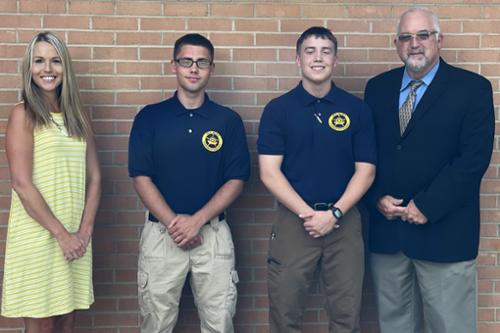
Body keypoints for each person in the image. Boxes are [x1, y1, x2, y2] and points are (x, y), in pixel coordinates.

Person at [364, 7, 495, 333]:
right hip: (389, 235)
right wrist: (376, 196)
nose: (415, 44)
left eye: (423, 35)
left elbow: (473, 160)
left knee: (451, 327)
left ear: (439, 40)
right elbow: (367, 154)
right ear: (396, 43)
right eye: (406, 37)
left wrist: (427, 205)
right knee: (393, 326)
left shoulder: (473, 88)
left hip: (445, 235)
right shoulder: (377, 88)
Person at [257, 26, 377, 333]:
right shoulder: (278, 110)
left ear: (335, 60)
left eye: (326, 51)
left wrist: (334, 213)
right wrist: (309, 214)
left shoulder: (357, 110)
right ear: (298, 59)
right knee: (285, 314)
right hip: (294, 221)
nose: (318, 58)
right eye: (310, 51)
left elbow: (366, 171)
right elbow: (269, 172)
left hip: (345, 222)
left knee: (346, 316)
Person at [128, 33, 250, 333]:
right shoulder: (150, 118)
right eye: (186, 61)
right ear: (174, 65)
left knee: (219, 323)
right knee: (155, 323)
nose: (194, 68)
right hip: (161, 235)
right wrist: (175, 224)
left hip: (213, 234)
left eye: (202, 62)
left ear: (211, 68)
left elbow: (236, 179)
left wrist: (197, 221)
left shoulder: (227, 120)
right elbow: (141, 177)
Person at [1, 32, 101, 333]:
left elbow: (95, 178)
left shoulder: (78, 116)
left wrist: (84, 231)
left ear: (65, 67)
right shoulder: (23, 114)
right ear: (29, 68)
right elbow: (21, 183)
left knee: (67, 322)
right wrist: (61, 235)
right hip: (40, 236)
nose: (48, 68)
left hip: (76, 238)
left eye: (56, 61)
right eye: (39, 61)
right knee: (42, 325)